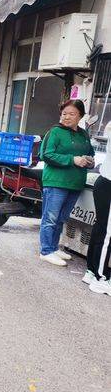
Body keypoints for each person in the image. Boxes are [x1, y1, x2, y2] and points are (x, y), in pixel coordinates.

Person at [38, 100, 95, 266]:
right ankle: (46, 250)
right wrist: (73, 160)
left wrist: (89, 161)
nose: (66, 117)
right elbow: (46, 155)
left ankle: (54, 247)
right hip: (56, 182)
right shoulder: (55, 132)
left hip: (75, 182)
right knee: (50, 217)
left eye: (72, 114)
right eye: (64, 113)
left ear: (80, 116)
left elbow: (90, 153)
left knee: (61, 218)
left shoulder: (84, 134)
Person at [86, 121, 111, 295]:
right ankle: (100, 277)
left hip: (105, 181)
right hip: (108, 182)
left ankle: (92, 270)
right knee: (107, 233)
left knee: (102, 228)